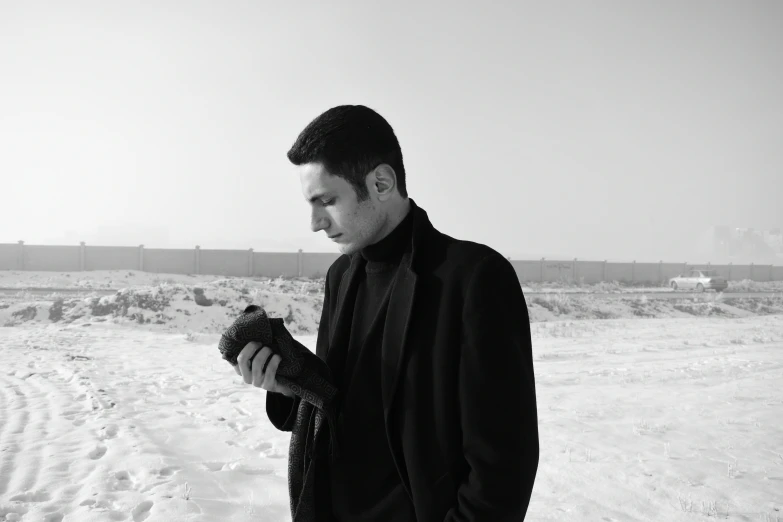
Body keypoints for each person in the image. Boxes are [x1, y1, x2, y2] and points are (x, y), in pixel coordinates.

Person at [234, 105, 539, 521]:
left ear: (381, 182)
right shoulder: (340, 276)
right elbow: (339, 411)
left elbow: (503, 466)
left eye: (327, 200)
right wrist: (288, 388)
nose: (315, 222)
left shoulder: (472, 279)